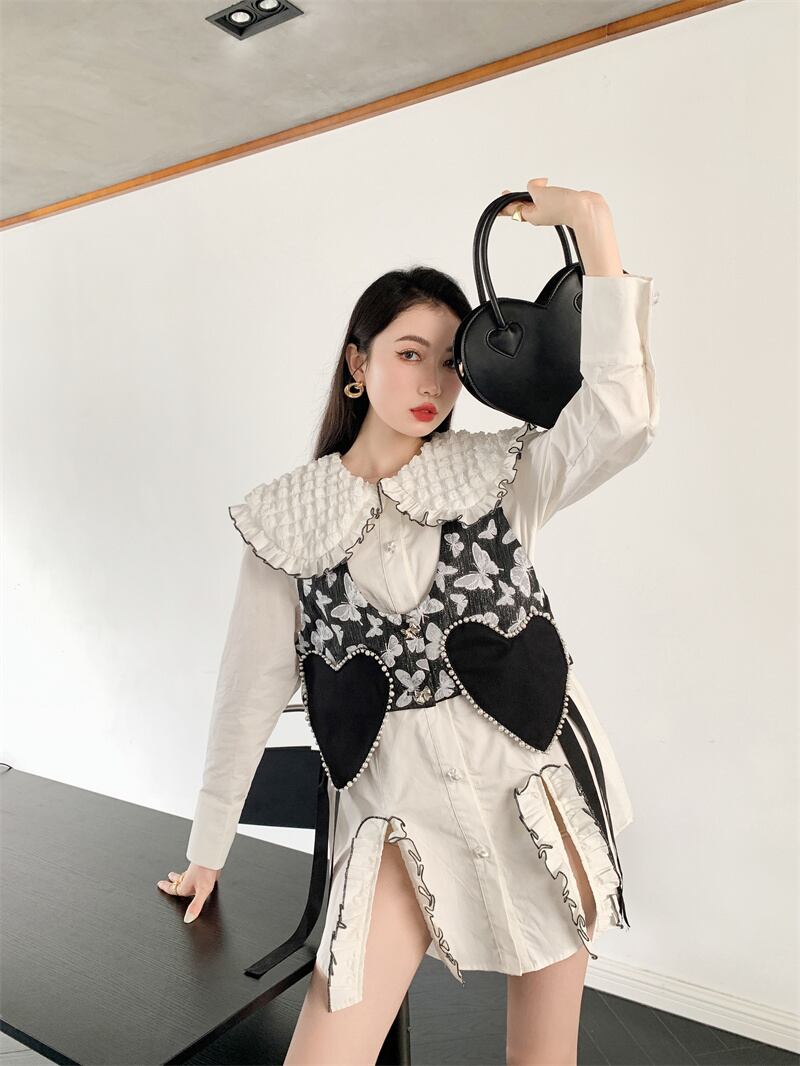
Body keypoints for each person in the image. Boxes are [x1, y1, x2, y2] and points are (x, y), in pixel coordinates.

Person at [157, 178, 660, 1065]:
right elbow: (248, 693)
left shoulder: (501, 475)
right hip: (394, 824)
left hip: (536, 797)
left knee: (543, 1060)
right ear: (358, 365)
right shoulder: (288, 523)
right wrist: (208, 849)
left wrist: (594, 228)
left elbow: (621, 416)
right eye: (408, 353)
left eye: (449, 361)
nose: (432, 382)